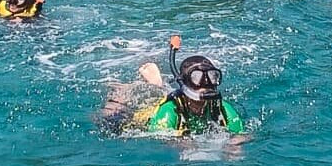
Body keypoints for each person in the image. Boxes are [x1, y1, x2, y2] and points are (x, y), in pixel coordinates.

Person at [102, 36, 245, 136]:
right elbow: (162, 139)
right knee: (108, 121)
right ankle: (148, 85)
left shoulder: (221, 108)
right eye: (197, 77)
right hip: (138, 116)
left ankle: (157, 84)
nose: (205, 83)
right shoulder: (170, 110)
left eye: (212, 77)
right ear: (185, 83)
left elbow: (240, 136)